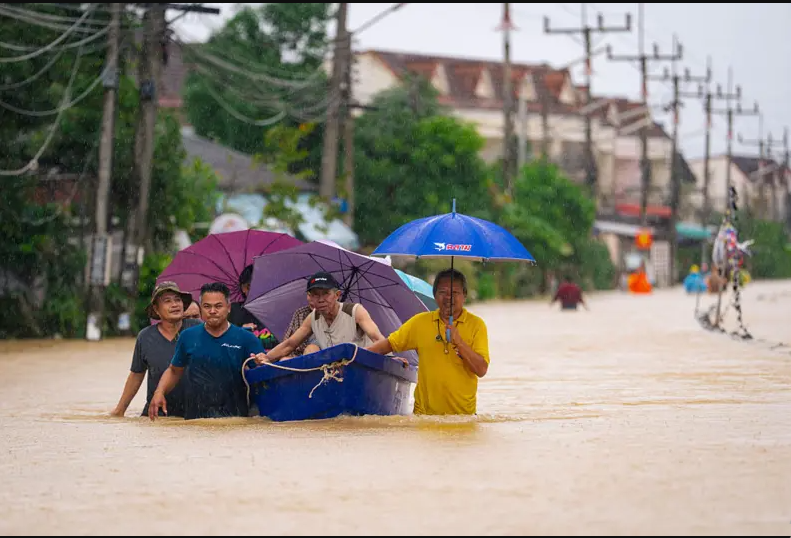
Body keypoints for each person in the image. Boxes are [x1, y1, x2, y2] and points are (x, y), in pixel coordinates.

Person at [366, 269, 490, 416]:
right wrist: (350, 357)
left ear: (464, 296)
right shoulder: (420, 322)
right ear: (435, 295)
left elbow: (481, 370)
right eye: (443, 292)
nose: (448, 297)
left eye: (455, 292)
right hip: (424, 418)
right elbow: (386, 346)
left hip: (463, 418)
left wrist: (460, 343)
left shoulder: (477, 325)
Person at [148, 282, 265, 421]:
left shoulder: (247, 339)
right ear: (201, 308)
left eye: (218, 306)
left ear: (228, 308)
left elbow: (262, 377)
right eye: (207, 306)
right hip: (195, 421)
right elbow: (174, 371)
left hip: (235, 421)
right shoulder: (187, 337)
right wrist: (159, 392)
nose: (212, 311)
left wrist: (262, 362)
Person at [254, 271, 386, 363]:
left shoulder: (355, 311)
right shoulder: (313, 318)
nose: (321, 299)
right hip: (334, 371)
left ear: (337, 295)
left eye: (326, 294)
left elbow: (377, 338)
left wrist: (390, 358)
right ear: (309, 297)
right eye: (316, 294)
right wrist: (267, 357)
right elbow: (290, 344)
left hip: (360, 367)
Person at [111, 282, 200, 418]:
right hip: (156, 414)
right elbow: (136, 375)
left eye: (177, 300)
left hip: (193, 414)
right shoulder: (145, 337)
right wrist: (119, 411)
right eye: (167, 301)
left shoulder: (199, 329)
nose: (175, 304)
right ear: (156, 310)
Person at [229, 264, 279, 351]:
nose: (256, 290)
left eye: (261, 285)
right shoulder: (232, 311)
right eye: (249, 286)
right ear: (243, 288)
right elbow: (224, 342)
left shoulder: (278, 311)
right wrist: (239, 331)